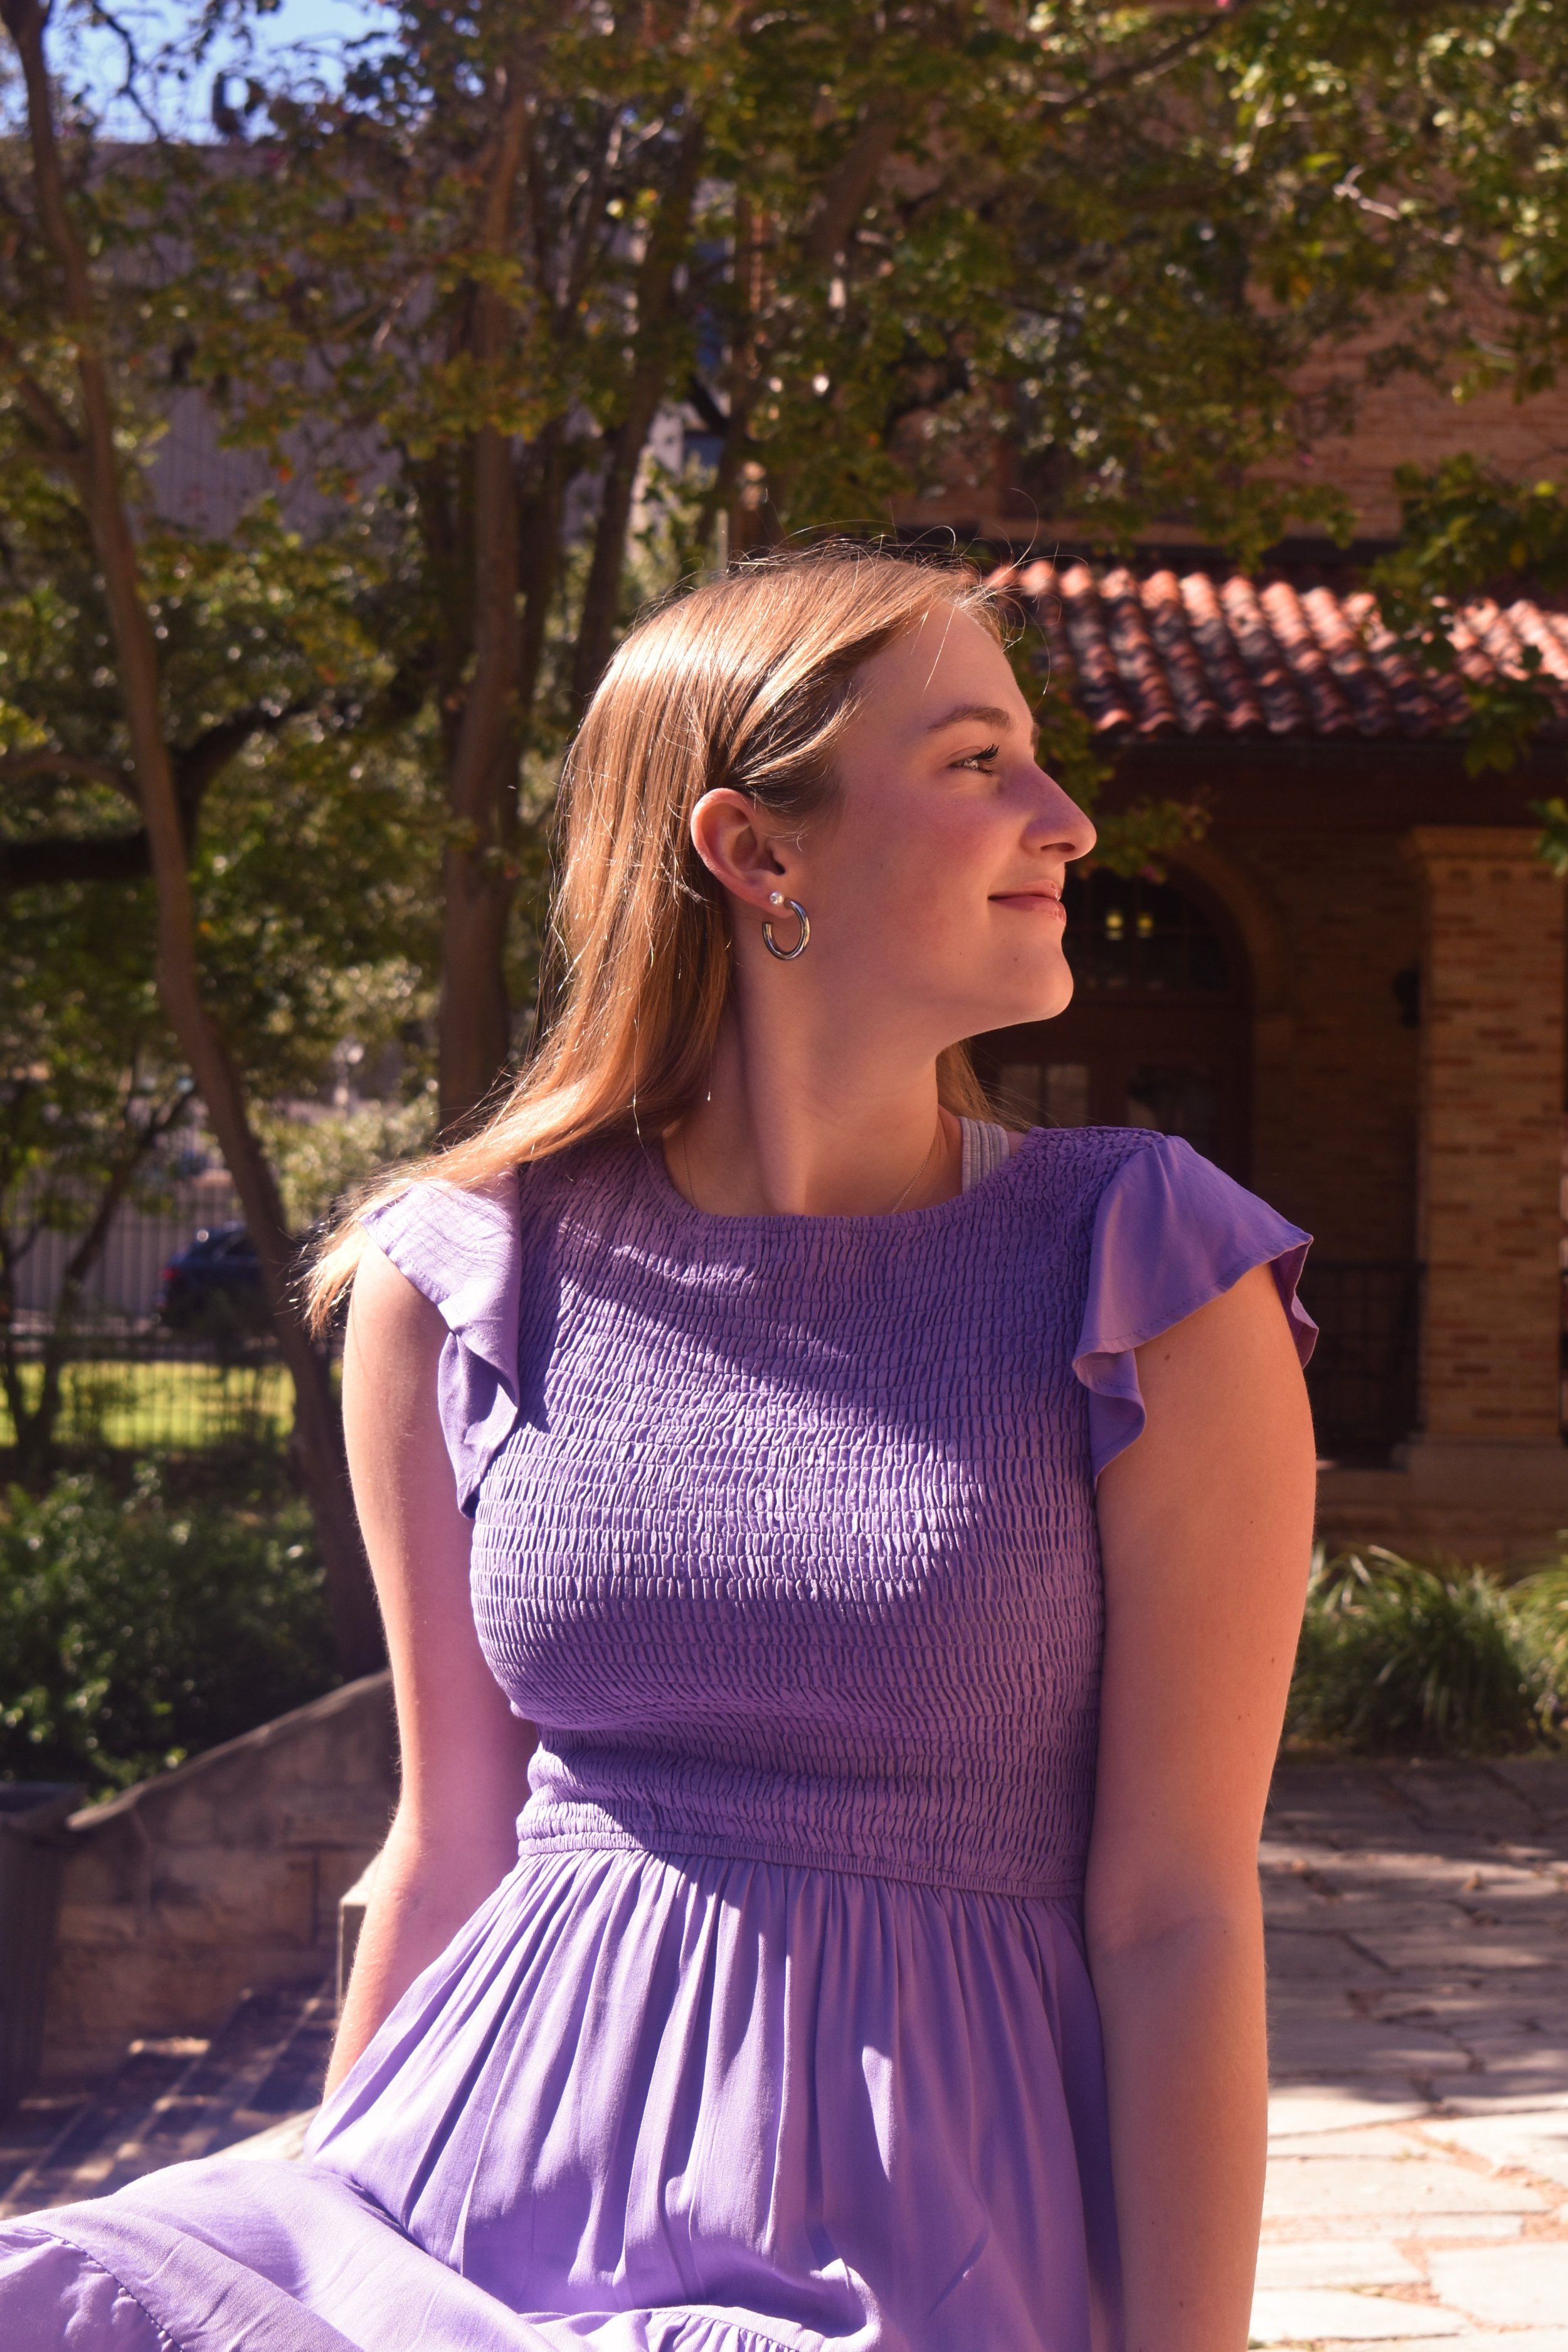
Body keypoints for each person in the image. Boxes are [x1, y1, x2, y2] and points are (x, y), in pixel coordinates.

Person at [0, 546, 1317, 2352]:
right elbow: (447, 1843)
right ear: (753, 852)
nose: (1067, 818)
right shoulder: (460, 1278)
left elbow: (1172, 1912)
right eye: (973, 763)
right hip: (467, 2192)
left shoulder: (1145, 1271)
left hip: (911, 2242)